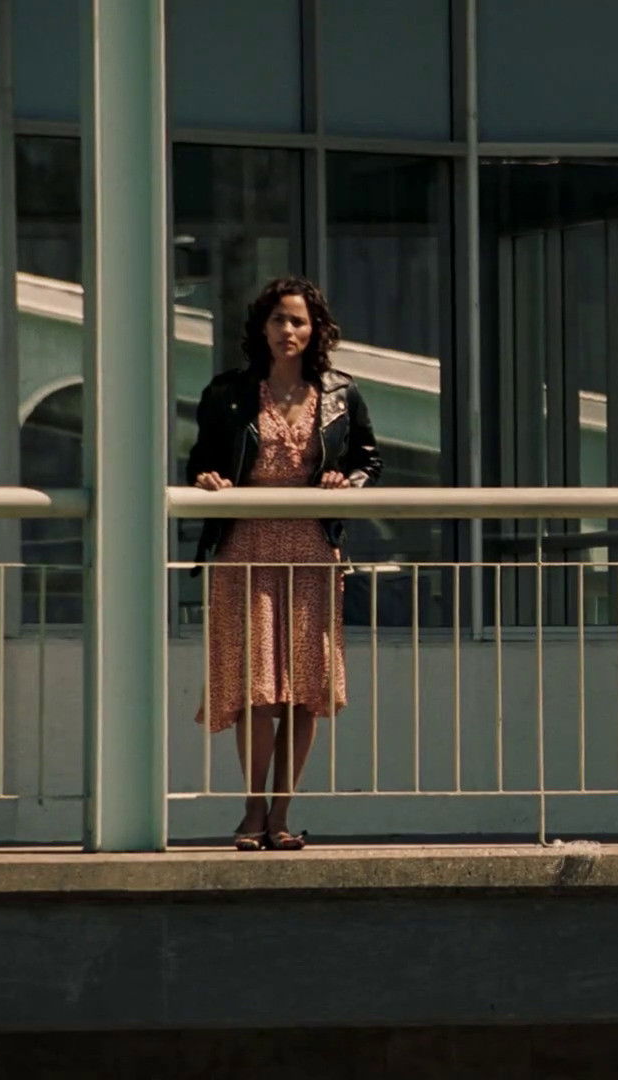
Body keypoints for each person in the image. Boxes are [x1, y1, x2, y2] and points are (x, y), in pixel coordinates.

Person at [186, 277, 382, 851]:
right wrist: (208, 480)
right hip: (246, 544)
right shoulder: (228, 392)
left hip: (312, 546)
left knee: (303, 689)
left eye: (298, 321)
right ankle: (251, 810)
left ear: (316, 330)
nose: (288, 330)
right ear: (262, 327)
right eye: (278, 319)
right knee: (256, 689)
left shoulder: (341, 392)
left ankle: (281, 814)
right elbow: (199, 461)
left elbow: (368, 459)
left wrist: (347, 482)